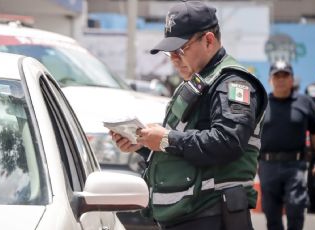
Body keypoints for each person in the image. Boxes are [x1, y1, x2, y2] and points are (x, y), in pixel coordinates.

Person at [110, 1, 268, 229]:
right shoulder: (199, 82)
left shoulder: (232, 83)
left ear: (209, 40)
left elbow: (228, 141)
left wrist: (166, 140)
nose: (173, 58)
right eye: (169, 52)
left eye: (180, 49)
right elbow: (186, 151)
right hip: (189, 216)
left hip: (212, 216)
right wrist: (144, 143)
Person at [259, 61, 315, 230]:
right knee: (271, 214)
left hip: (296, 166)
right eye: (276, 76)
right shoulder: (261, 104)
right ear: (270, 79)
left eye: (285, 75)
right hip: (267, 165)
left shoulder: (305, 102)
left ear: (292, 79)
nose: (281, 80)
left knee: (296, 207)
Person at [305, 65, 315, 214]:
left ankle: (314, 205)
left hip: (314, 134)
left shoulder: (311, 88)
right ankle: (312, 204)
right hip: (314, 134)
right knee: (311, 170)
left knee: (313, 169)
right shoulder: (311, 88)